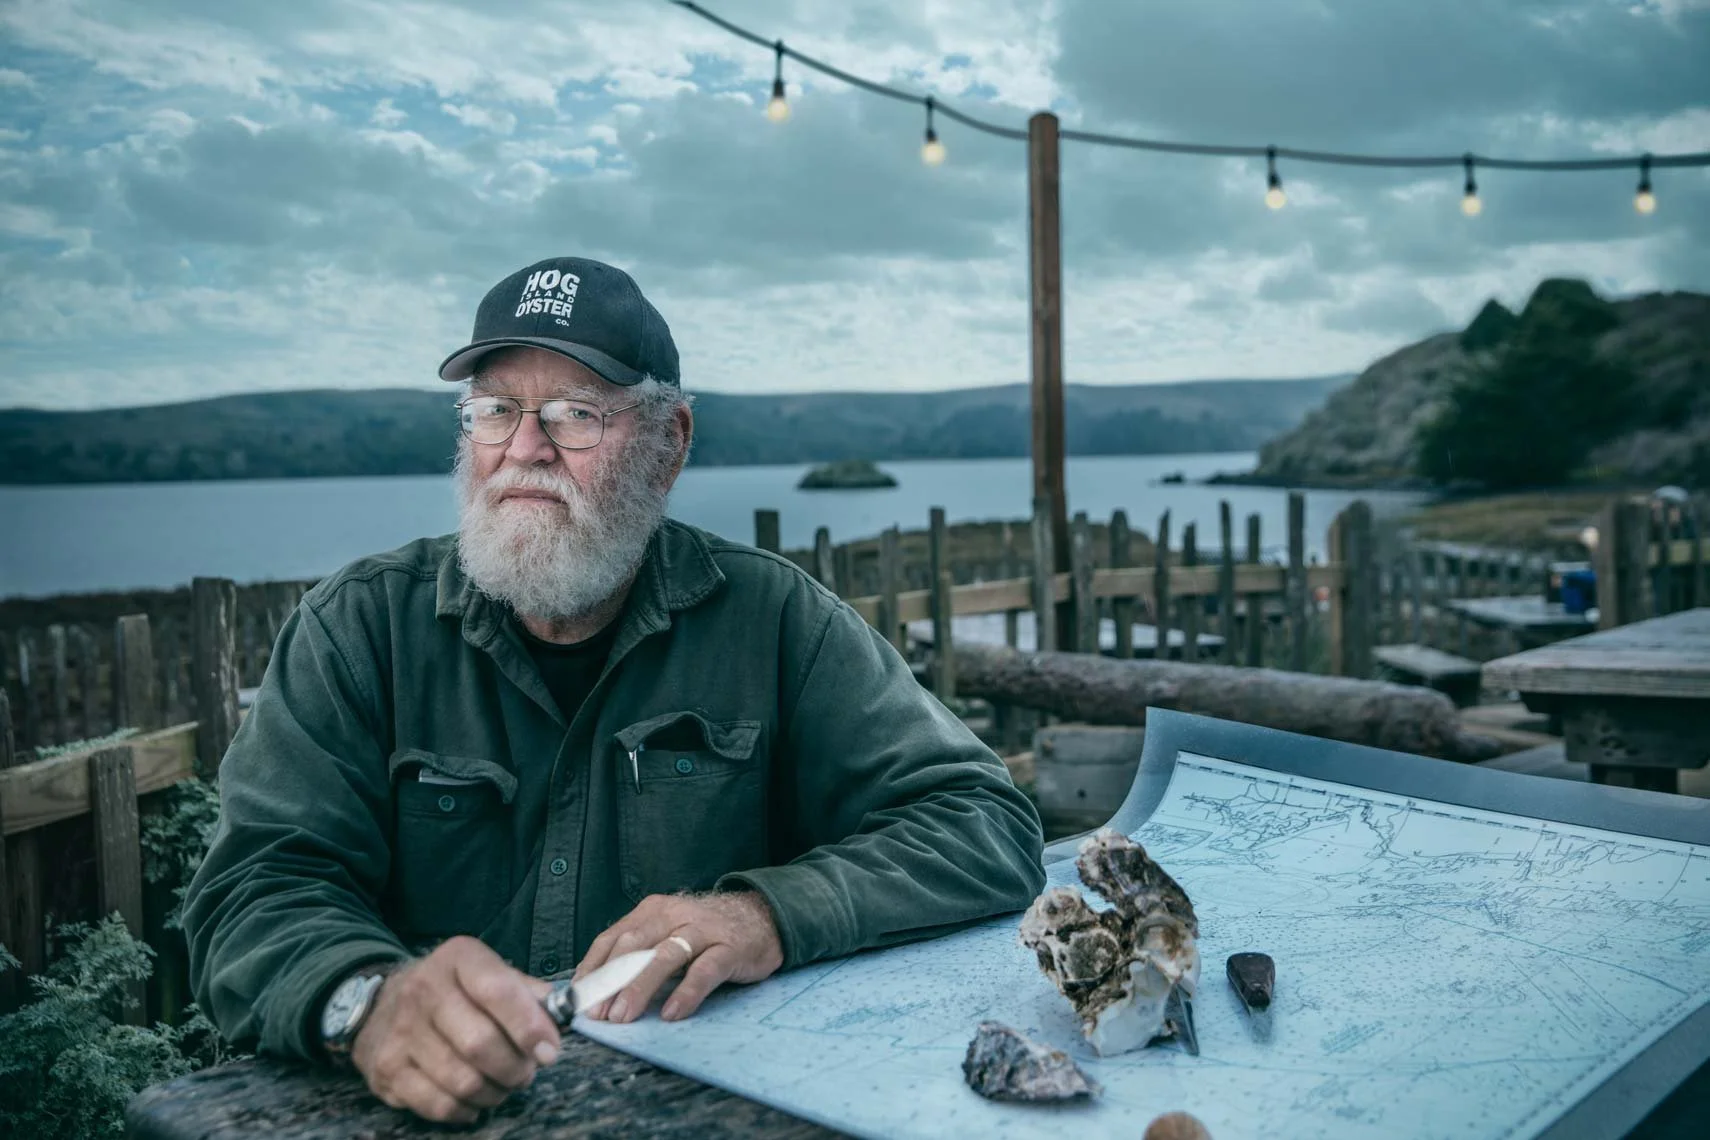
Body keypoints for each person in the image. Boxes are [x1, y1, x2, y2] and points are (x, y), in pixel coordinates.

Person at [182, 256, 1046, 1124]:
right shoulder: (359, 630)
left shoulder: (775, 620)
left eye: (575, 416)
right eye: (496, 412)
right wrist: (367, 1002)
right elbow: (252, 891)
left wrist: (763, 915)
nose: (525, 449)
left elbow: (981, 821)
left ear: (669, 444)